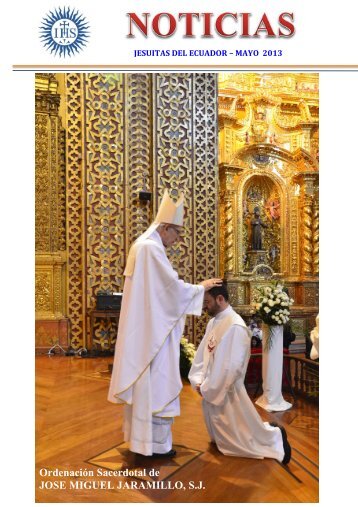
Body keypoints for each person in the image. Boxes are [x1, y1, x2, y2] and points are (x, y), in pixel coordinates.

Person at [108, 189, 222, 457]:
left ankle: (145, 442)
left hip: (149, 327)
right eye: (177, 234)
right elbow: (169, 289)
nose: (177, 240)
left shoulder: (144, 245)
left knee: (151, 385)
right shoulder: (150, 248)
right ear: (166, 227)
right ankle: (155, 446)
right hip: (153, 335)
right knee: (156, 382)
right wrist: (200, 288)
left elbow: (160, 290)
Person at [188, 284, 291, 463]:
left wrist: (208, 387)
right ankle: (268, 432)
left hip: (225, 390)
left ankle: (274, 437)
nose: (204, 307)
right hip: (211, 385)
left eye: (207, 302)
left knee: (240, 439)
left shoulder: (235, 326)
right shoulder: (214, 321)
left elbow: (230, 367)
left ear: (220, 299)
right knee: (232, 433)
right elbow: (204, 353)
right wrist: (198, 378)